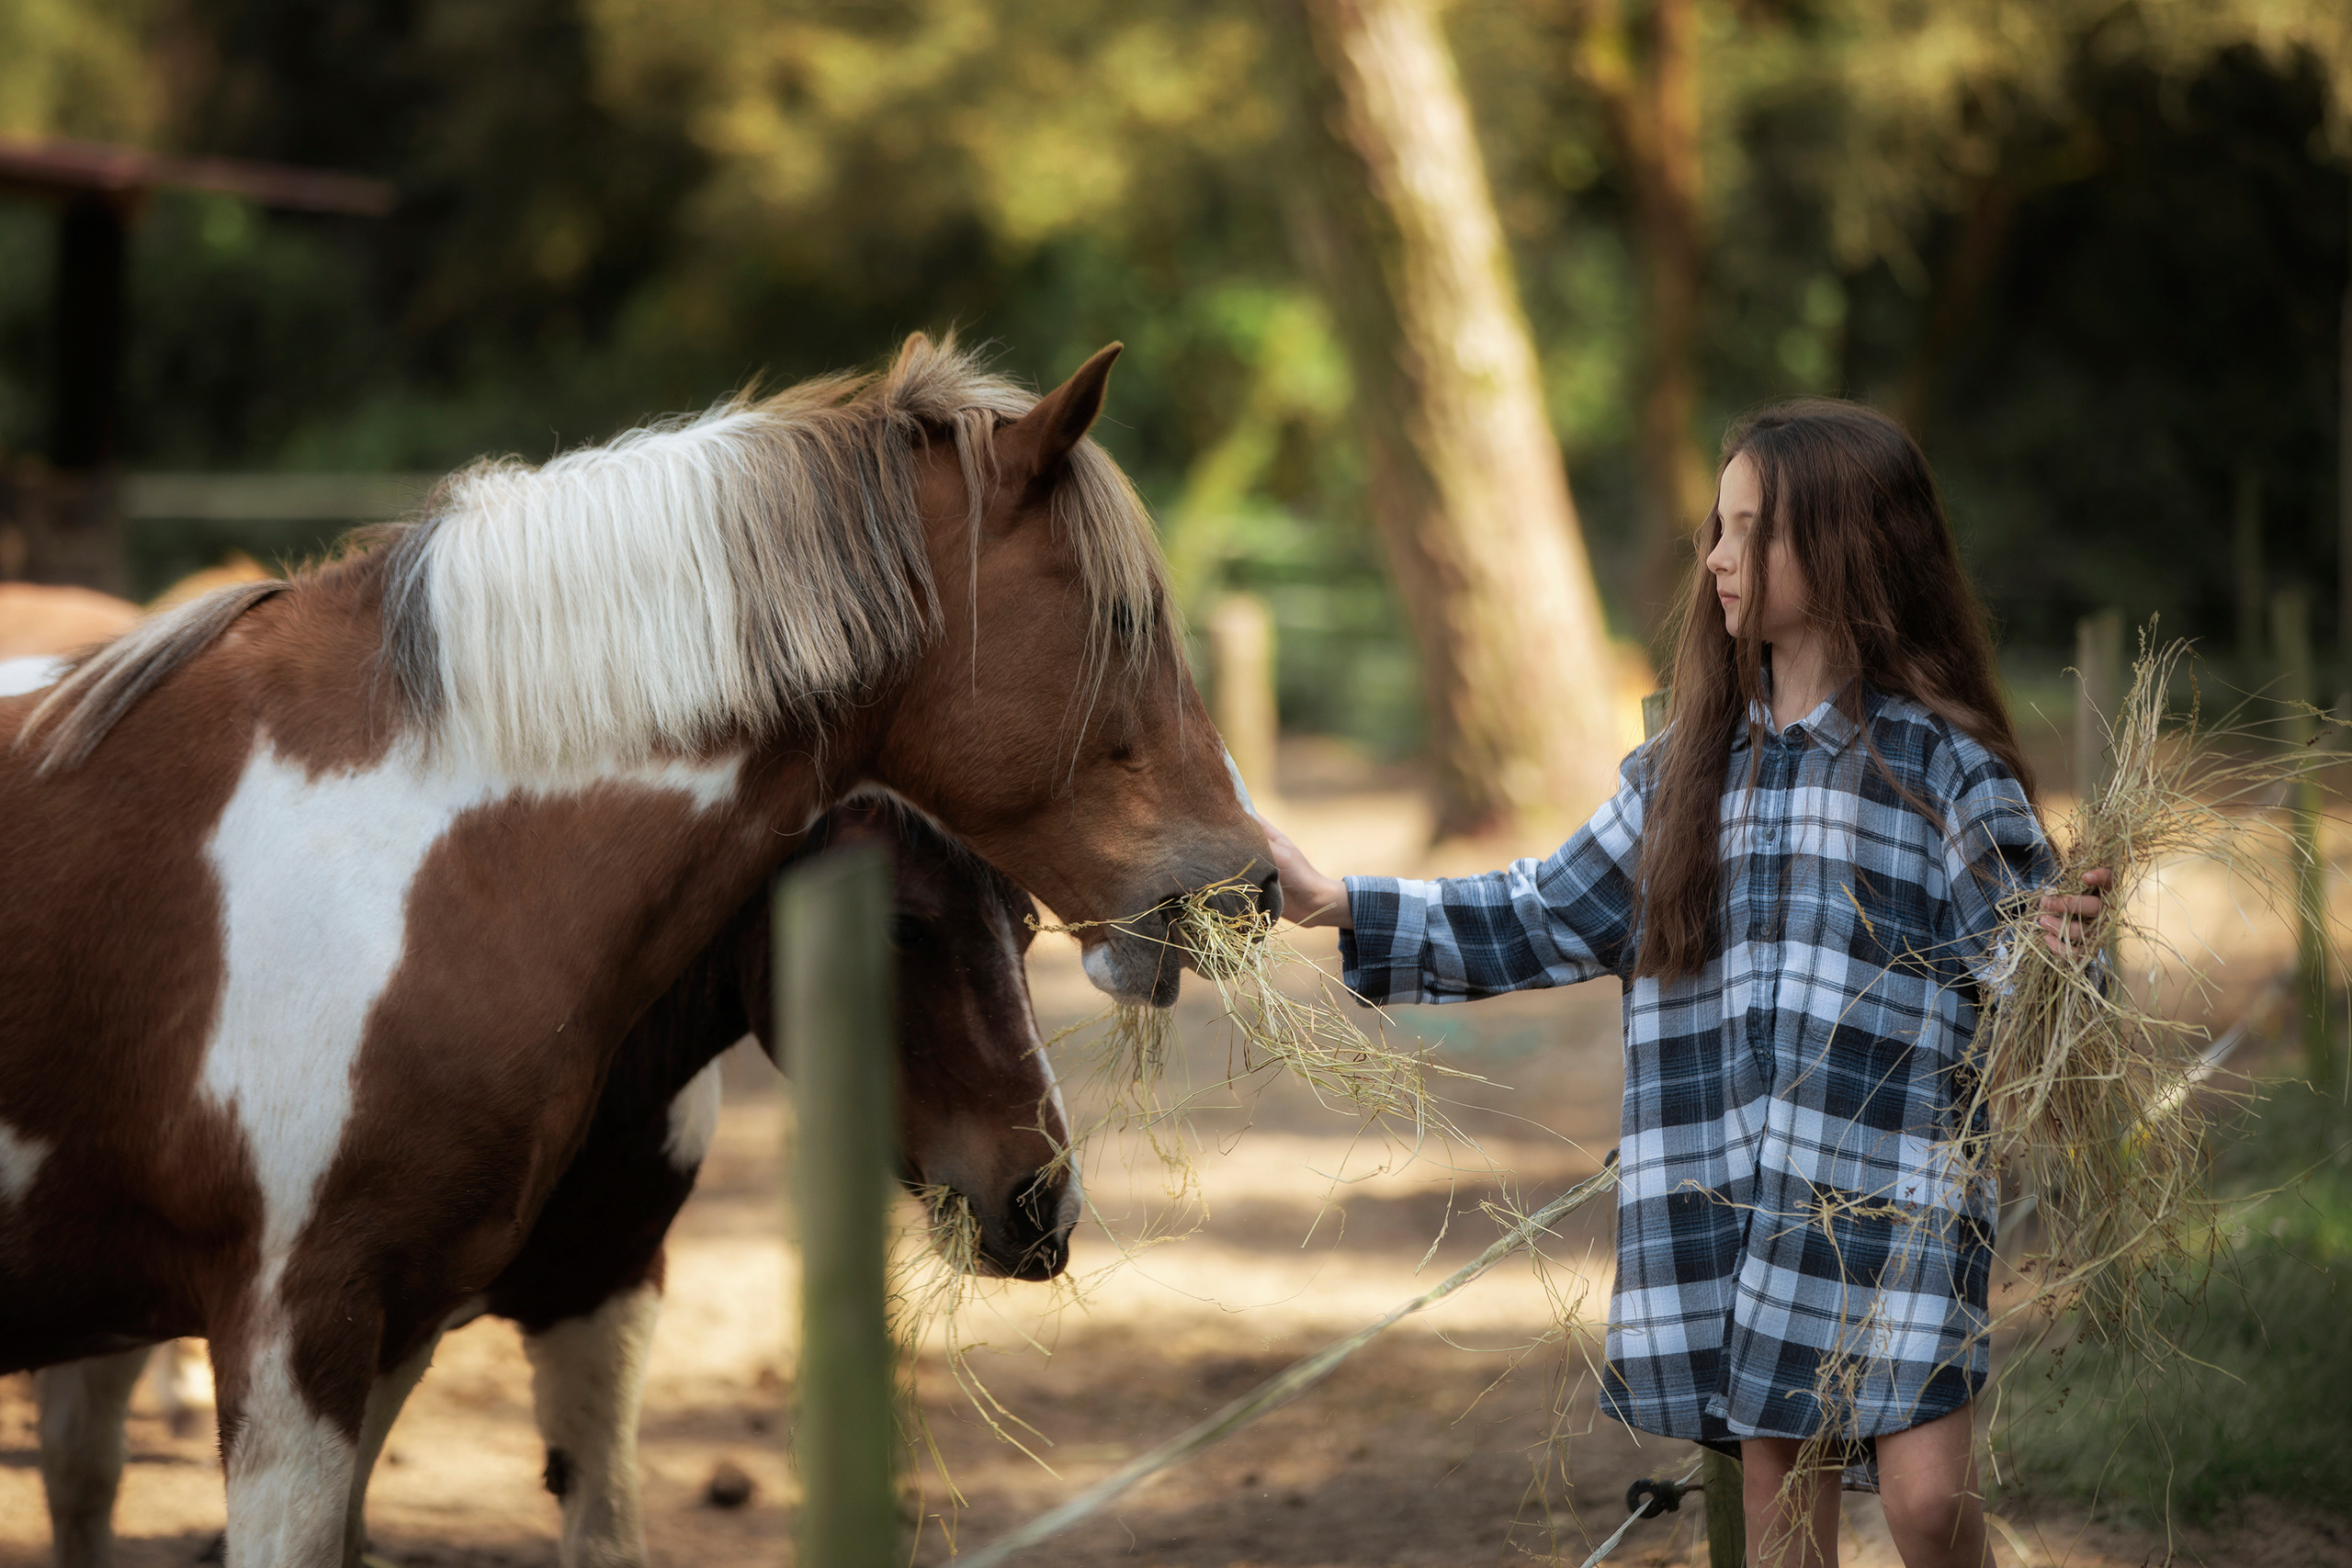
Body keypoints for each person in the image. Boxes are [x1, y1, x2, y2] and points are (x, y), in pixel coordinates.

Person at [1263, 399, 2108, 1568]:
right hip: (1736, 1206)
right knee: (1783, 1532)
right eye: (1717, 526)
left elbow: (2032, 969)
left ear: (1851, 543)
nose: (1715, 556)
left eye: (1749, 530)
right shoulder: (1679, 776)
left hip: (1896, 1199)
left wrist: (2068, 960)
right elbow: (1536, 910)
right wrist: (1339, 900)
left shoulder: (1942, 770)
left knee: (1924, 1504)